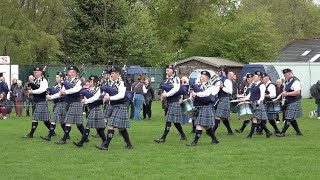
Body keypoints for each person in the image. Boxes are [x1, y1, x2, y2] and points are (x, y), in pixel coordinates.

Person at [95, 66, 133, 150]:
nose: (111, 75)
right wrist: (105, 96)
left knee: (111, 124)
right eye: (111, 73)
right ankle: (129, 144)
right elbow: (110, 93)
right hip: (113, 105)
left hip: (120, 105)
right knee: (121, 127)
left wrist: (109, 98)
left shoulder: (122, 83)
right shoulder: (111, 82)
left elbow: (121, 95)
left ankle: (105, 145)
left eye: (113, 73)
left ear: (118, 74)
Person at [49, 66, 85, 144]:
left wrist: (66, 92)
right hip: (68, 103)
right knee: (78, 123)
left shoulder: (78, 81)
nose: (71, 73)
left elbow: (76, 90)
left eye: (73, 72)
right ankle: (85, 137)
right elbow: (61, 93)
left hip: (75, 103)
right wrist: (51, 97)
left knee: (68, 121)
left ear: (76, 73)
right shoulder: (67, 82)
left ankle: (64, 140)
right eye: (70, 72)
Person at [154, 65, 187, 143]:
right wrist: (163, 94)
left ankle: (163, 138)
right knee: (175, 122)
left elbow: (176, 89)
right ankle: (183, 136)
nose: (167, 71)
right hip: (170, 102)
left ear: (173, 71)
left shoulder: (176, 79)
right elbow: (166, 88)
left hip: (175, 101)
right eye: (166, 70)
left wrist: (167, 94)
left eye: (168, 70)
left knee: (169, 120)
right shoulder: (167, 80)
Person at [186, 71, 219, 146]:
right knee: (206, 126)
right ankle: (214, 139)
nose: (201, 77)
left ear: (207, 78)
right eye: (200, 76)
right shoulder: (198, 85)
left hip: (205, 106)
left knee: (198, 124)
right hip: (198, 106)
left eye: (202, 76)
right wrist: (193, 97)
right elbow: (193, 95)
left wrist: (196, 94)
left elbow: (206, 94)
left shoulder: (210, 86)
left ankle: (195, 142)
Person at [73, 75, 107, 148]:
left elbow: (95, 98)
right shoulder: (90, 89)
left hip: (96, 109)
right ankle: (105, 141)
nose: (90, 83)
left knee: (88, 126)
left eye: (92, 81)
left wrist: (86, 101)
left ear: (95, 82)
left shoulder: (98, 89)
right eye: (90, 81)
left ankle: (81, 142)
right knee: (98, 128)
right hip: (92, 109)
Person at [241, 71, 272, 139]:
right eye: (254, 76)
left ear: (260, 77)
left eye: (255, 76)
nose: (254, 77)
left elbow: (262, 95)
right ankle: (268, 132)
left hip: (258, 103)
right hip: (252, 103)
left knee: (254, 118)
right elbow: (250, 94)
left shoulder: (262, 85)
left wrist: (259, 101)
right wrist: (244, 99)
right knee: (258, 120)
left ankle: (250, 135)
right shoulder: (253, 84)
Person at [22, 67, 51, 138]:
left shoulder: (44, 80)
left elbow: (42, 90)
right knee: (45, 120)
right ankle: (52, 131)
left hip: (41, 101)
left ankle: (31, 134)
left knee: (35, 118)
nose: (35, 73)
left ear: (41, 72)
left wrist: (33, 91)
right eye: (34, 72)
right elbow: (34, 88)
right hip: (36, 101)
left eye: (37, 72)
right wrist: (30, 90)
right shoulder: (34, 80)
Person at [41, 72, 68, 141]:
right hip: (57, 103)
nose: (56, 78)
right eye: (56, 77)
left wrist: (50, 97)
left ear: (61, 78)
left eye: (57, 77)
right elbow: (51, 90)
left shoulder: (64, 84)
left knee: (53, 119)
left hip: (61, 103)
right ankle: (67, 135)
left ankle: (49, 136)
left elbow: (60, 94)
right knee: (62, 121)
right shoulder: (56, 84)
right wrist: (47, 94)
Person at [276, 68, 303, 137]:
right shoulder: (287, 81)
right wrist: (279, 97)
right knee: (291, 118)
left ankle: (282, 133)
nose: (285, 76)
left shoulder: (295, 81)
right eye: (284, 75)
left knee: (288, 117)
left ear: (290, 73)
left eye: (286, 75)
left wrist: (287, 94)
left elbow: (297, 92)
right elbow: (285, 91)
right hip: (289, 101)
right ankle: (299, 132)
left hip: (295, 100)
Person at [212, 68, 234, 135]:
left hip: (224, 99)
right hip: (220, 99)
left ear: (223, 72)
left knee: (218, 115)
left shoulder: (227, 81)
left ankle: (212, 131)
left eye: (219, 71)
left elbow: (230, 91)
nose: (217, 72)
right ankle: (230, 131)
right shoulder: (219, 80)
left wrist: (222, 87)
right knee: (223, 117)